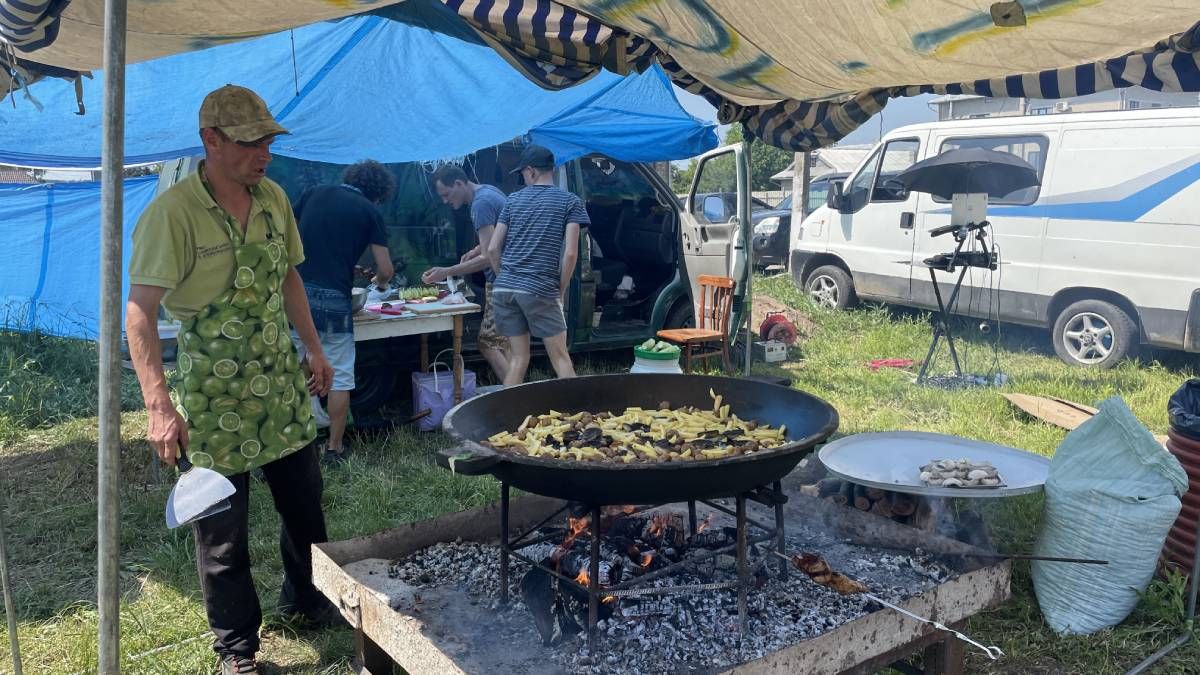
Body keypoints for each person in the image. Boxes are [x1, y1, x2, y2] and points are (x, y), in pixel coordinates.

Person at [125, 84, 336, 675]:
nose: (263, 152)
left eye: (267, 140)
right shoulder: (172, 214)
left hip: (279, 381)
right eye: (249, 142)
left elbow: (290, 279)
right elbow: (140, 312)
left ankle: (310, 603)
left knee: (305, 507)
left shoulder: (273, 199)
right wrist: (158, 405)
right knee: (221, 531)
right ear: (211, 141)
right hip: (213, 399)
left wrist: (313, 349)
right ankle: (237, 653)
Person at [294, 160, 395, 462]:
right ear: (377, 193)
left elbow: (299, 241)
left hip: (296, 295)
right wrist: (379, 281)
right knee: (338, 375)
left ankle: (292, 446)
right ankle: (334, 449)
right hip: (335, 301)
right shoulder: (369, 211)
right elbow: (386, 269)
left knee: (292, 369)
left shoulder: (313, 193)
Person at [487, 145, 589, 386]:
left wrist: (507, 278)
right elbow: (571, 254)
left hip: (505, 290)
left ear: (531, 171)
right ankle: (580, 416)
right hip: (541, 288)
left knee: (518, 360)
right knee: (561, 359)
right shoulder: (570, 202)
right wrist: (561, 290)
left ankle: (506, 420)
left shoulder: (512, 200)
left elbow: (492, 248)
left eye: (522, 173)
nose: (523, 178)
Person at [421, 165, 510, 381]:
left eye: (447, 194)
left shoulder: (481, 204)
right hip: (511, 279)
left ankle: (515, 395)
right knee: (506, 343)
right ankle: (520, 396)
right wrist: (475, 250)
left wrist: (447, 271)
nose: (445, 201)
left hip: (502, 282)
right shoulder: (490, 192)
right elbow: (497, 239)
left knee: (487, 343)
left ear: (459, 184)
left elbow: (490, 257)